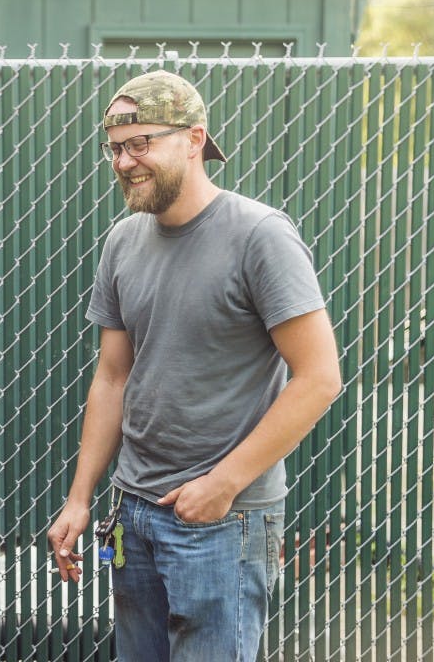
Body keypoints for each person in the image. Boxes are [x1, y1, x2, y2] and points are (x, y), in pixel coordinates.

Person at [46, 70, 342, 661]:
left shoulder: (260, 235)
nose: (125, 162)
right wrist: (80, 497)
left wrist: (223, 484)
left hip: (222, 523)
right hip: (133, 515)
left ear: (194, 139)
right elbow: (112, 377)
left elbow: (319, 378)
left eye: (142, 143)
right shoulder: (122, 242)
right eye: (116, 147)